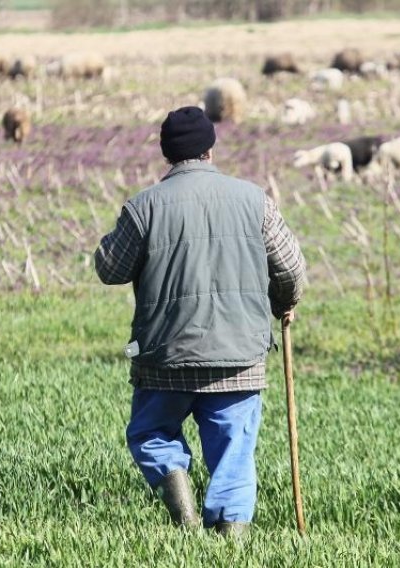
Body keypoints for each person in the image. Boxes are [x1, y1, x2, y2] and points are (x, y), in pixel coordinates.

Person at [94, 106, 305, 537]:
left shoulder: (143, 207)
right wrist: (285, 303)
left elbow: (109, 269)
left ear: (167, 153)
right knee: (234, 451)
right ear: (210, 148)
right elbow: (291, 268)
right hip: (240, 356)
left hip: (164, 355)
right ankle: (231, 541)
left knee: (152, 433)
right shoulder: (254, 200)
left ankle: (185, 518)